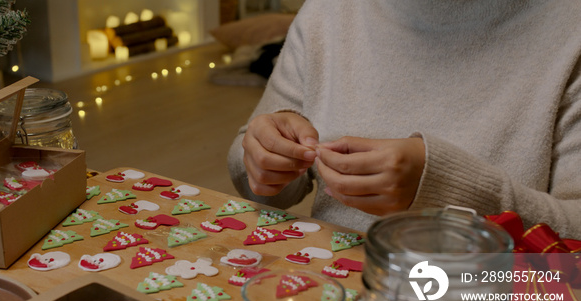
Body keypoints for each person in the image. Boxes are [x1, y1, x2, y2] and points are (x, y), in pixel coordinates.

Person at [227, 0, 581, 239]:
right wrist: (267, 159)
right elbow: (255, 184)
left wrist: (449, 190)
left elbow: (571, 262)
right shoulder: (328, 11)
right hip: (335, 299)